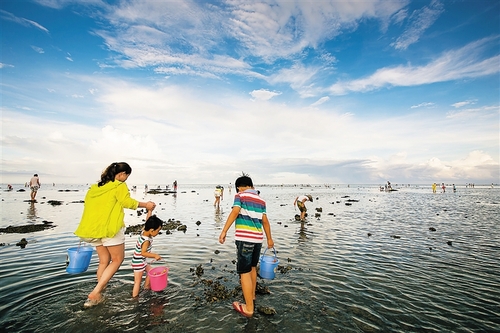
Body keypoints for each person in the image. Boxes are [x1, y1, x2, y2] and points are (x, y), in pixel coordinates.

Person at [74, 162, 156, 308]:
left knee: (104, 261)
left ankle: (98, 295)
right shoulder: (119, 185)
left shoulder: (95, 188)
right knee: (118, 259)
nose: (126, 179)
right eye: (127, 175)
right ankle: (96, 291)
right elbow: (127, 202)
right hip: (110, 229)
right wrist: (147, 205)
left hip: (92, 229)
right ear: (122, 174)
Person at [218, 175, 274, 318]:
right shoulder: (261, 200)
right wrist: (270, 239)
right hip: (257, 240)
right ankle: (252, 296)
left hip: (244, 239)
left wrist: (224, 231)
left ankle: (248, 308)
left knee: (244, 271)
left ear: (239, 187)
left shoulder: (239, 196)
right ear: (251, 186)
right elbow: (265, 221)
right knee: (253, 267)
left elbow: (235, 211)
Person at [131, 211, 164, 298]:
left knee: (151, 272)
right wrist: (155, 255)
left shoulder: (144, 231)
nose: (158, 233)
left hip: (141, 261)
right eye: (158, 231)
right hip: (138, 263)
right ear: (152, 230)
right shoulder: (146, 241)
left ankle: (146, 288)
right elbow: (143, 253)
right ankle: (134, 299)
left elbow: (147, 222)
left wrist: (149, 211)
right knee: (137, 282)